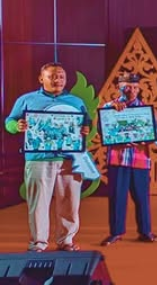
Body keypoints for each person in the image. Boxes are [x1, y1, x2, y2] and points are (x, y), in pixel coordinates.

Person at [4, 62, 91, 252]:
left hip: (70, 159)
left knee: (70, 202)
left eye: (61, 76)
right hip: (38, 158)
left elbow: (87, 123)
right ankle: (38, 242)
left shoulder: (76, 101)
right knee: (39, 203)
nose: (57, 80)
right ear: (41, 78)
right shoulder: (27, 99)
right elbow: (9, 122)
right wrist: (16, 126)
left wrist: (86, 128)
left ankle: (66, 240)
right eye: (52, 76)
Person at [101, 73, 157, 246]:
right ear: (119, 87)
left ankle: (145, 231)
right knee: (117, 197)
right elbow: (102, 131)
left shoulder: (147, 110)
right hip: (117, 159)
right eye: (127, 87)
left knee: (142, 197)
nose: (131, 90)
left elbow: (155, 135)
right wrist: (117, 138)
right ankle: (116, 232)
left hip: (140, 159)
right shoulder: (109, 107)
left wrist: (146, 139)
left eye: (135, 87)